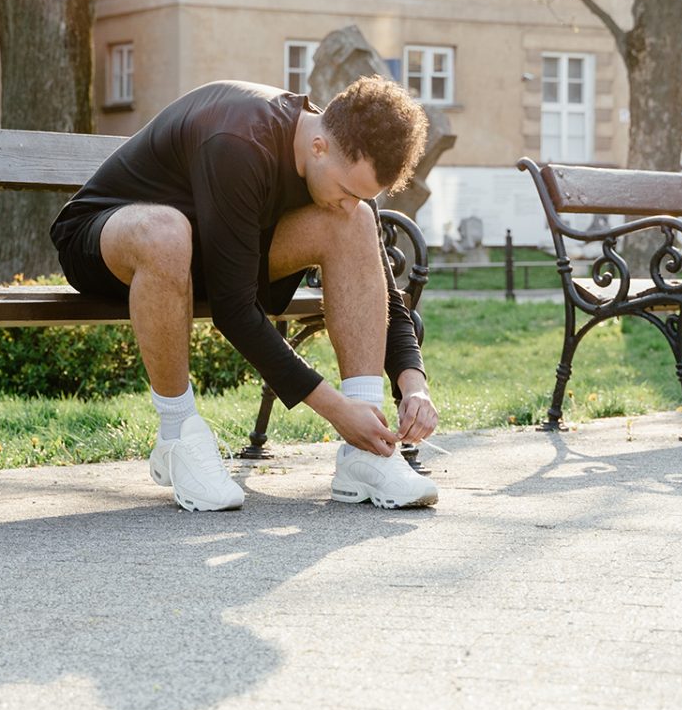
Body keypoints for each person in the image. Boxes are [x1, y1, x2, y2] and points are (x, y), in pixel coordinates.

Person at [49, 76, 438, 511]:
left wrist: (413, 383)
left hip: (208, 249)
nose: (349, 201)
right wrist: (334, 409)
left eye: (362, 194)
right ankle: (177, 435)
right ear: (319, 147)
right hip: (107, 237)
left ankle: (367, 451)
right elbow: (234, 309)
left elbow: (383, 290)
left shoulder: (338, 155)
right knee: (166, 232)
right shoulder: (239, 140)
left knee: (358, 222)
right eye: (348, 192)